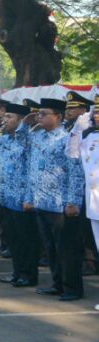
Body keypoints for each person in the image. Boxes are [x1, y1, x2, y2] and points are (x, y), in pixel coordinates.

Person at [25, 98, 86, 301]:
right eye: (38, 114)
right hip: (42, 202)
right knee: (50, 249)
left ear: (58, 116)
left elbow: (75, 173)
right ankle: (58, 283)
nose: (39, 117)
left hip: (61, 204)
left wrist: (73, 202)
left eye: (44, 114)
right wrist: (30, 197)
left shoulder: (68, 139)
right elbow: (32, 170)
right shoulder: (39, 137)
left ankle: (72, 288)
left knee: (67, 250)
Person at [0, 99, 36, 285]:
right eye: (4, 116)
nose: (4, 119)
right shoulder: (6, 138)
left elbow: (31, 172)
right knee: (13, 239)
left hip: (23, 199)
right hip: (7, 197)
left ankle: (28, 275)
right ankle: (17, 272)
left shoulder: (28, 138)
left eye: (9, 116)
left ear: (20, 119)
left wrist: (22, 126)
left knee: (26, 240)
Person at [80, 98, 99, 311]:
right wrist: (78, 130)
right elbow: (72, 152)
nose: (96, 116)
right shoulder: (90, 137)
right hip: (94, 203)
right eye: (96, 112)